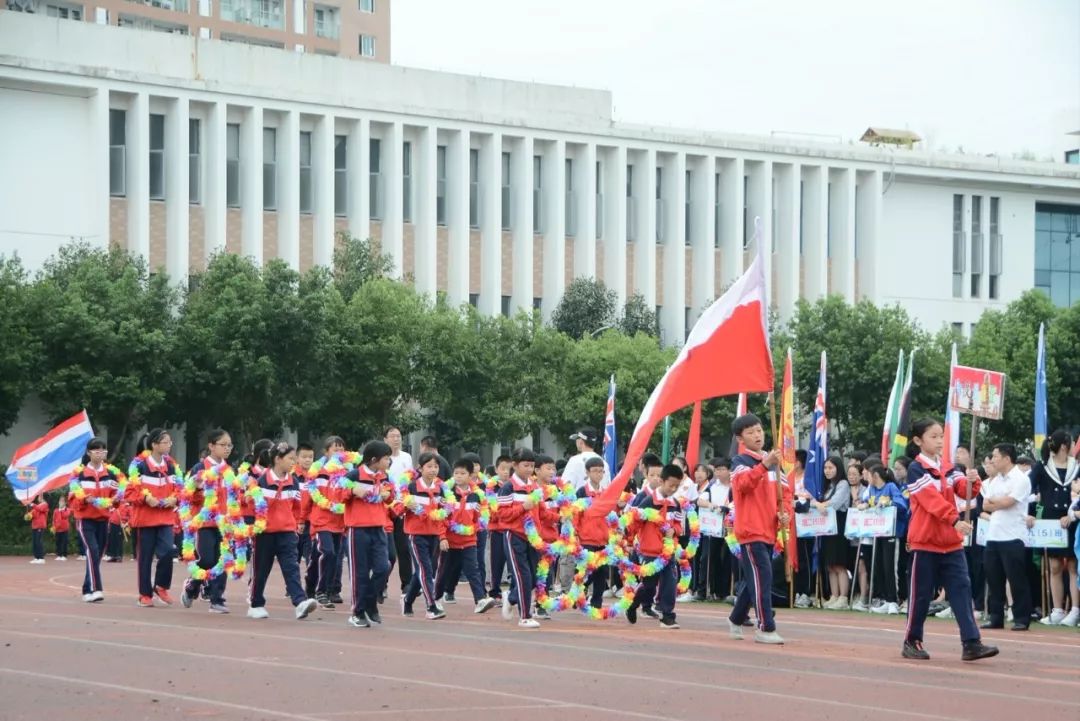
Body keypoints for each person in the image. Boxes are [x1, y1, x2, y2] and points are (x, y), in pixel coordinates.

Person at [902, 418, 997, 662]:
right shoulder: (916, 468)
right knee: (921, 594)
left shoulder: (948, 467)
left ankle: (971, 642)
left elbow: (963, 490)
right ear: (918, 441)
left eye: (940, 436)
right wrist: (955, 520)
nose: (939, 441)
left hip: (950, 543)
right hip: (925, 542)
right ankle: (912, 641)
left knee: (961, 591)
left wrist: (973, 481)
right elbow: (931, 500)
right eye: (933, 436)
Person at [726, 413, 791, 645]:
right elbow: (743, 485)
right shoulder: (740, 462)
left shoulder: (774, 464)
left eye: (759, 430)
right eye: (751, 432)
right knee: (762, 577)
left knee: (757, 578)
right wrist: (764, 465)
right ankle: (765, 627)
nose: (758, 435)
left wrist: (785, 515)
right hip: (750, 530)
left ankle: (736, 618)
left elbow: (785, 496)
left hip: (769, 529)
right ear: (740, 438)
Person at [246, 442, 318, 621]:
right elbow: (250, 507)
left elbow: (296, 507)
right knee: (261, 569)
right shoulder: (260, 481)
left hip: (286, 533)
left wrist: (293, 525)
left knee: (291, 567)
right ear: (278, 459)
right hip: (264, 533)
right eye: (290, 459)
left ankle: (300, 601)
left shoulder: (293, 482)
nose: (294, 462)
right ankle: (256, 603)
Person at [625, 463, 685, 629]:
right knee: (649, 585)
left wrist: (674, 530)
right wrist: (629, 540)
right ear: (662, 481)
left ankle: (667, 616)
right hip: (650, 551)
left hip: (668, 551)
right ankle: (633, 604)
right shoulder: (649, 501)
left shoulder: (676, 504)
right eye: (671, 485)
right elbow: (635, 522)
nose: (673, 489)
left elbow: (680, 525)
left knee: (670, 582)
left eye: (677, 486)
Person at [180, 429, 234, 614]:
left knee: (223, 559)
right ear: (211, 446)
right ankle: (192, 586)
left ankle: (217, 598)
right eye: (223, 445)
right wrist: (197, 489)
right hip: (204, 523)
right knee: (206, 560)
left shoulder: (229, 470)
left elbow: (232, 497)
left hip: (223, 523)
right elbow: (188, 495)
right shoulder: (199, 468)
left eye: (229, 445)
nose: (227, 449)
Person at [127, 428, 182, 608]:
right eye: (165, 442)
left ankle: (161, 586)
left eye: (170, 442)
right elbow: (130, 492)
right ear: (154, 444)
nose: (169, 445)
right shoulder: (139, 466)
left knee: (168, 551)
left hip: (165, 518)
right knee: (145, 557)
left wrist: (175, 498)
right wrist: (145, 498)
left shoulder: (172, 466)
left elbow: (180, 489)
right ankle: (145, 594)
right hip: (145, 519)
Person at [980, 443, 1032, 631]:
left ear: (1006, 458)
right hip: (993, 535)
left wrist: (998, 503)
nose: (992, 460)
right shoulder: (995, 481)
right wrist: (999, 503)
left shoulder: (1021, 479)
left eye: (995, 456)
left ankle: (1021, 617)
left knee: (1016, 579)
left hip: (1013, 536)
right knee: (994, 579)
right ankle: (996, 617)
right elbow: (986, 504)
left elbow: (1009, 502)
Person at [343, 440, 395, 628]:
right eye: (386, 458)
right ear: (374, 459)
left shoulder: (384, 476)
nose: (389, 461)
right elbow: (338, 493)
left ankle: (370, 602)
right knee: (360, 573)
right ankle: (357, 612)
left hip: (378, 528)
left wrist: (387, 494)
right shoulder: (354, 474)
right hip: (358, 530)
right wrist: (352, 490)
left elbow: (391, 495)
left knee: (383, 567)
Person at [434, 459, 497, 615]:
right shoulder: (448, 494)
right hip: (450, 541)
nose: (459, 476)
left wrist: (475, 529)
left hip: (469, 540)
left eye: (463, 473)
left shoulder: (476, 496)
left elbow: (480, 517)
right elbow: (441, 517)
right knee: (444, 571)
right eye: (456, 473)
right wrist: (442, 537)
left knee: (473, 570)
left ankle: (480, 599)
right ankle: (435, 598)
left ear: (471, 476)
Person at [1030, 430, 1079, 626]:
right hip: (1051, 522)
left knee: (1074, 565)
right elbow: (1028, 490)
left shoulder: (1077, 467)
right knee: (1055, 566)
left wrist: (1071, 515)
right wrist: (1031, 512)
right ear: (1065, 446)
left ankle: (1075, 609)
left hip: (1073, 519)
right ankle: (1057, 609)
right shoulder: (1042, 467)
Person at [498, 447, 547, 628]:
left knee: (534, 577)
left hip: (533, 537)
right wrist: (523, 507)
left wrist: (562, 517)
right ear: (515, 465)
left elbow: (541, 512)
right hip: (514, 536)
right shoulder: (508, 487)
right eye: (525, 465)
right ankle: (525, 616)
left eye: (532, 466)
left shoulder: (534, 486)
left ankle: (511, 597)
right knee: (523, 576)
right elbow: (503, 515)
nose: (529, 469)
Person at [69, 438, 122, 602]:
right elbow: (73, 500)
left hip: (103, 519)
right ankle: (96, 588)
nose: (100, 454)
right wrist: (85, 499)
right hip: (85, 520)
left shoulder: (112, 473)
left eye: (103, 451)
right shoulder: (79, 474)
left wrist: (115, 499)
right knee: (92, 550)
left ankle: (86, 589)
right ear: (89, 453)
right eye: (96, 451)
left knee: (97, 555)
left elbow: (118, 495)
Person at [401, 453, 449, 620]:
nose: (433, 470)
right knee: (425, 570)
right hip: (416, 534)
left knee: (422, 571)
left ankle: (408, 600)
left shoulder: (441, 489)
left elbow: (445, 512)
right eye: (429, 466)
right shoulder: (411, 487)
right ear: (420, 468)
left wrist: (442, 535)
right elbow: (397, 509)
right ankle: (431, 606)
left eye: (435, 467)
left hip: (433, 534)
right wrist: (407, 505)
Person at [305, 435, 347, 609]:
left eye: (341, 449)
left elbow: (347, 496)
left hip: (339, 522)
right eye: (334, 449)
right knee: (327, 553)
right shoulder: (318, 472)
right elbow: (309, 497)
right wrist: (302, 519)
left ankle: (311, 584)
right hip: (321, 521)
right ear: (326, 452)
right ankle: (322, 591)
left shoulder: (345, 474)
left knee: (322, 556)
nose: (338, 452)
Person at [860, 464, 908, 615]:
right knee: (879, 565)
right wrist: (865, 505)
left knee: (890, 566)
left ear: (875, 476)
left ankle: (894, 600)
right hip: (878, 532)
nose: (866, 477)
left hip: (891, 533)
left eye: (869, 474)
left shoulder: (891, 487)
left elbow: (902, 505)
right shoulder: (872, 490)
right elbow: (868, 502)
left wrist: (889, 503)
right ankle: (887, 600)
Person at [575, 456, 614, 609]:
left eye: (601, 471)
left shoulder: (606, 493)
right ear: (587, 472)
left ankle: (597, 601)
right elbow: (576, 513)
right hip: (586, 537)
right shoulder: (582, 491)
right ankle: (578, 592)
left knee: (602, 571)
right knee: (587, 569)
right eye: (595, 471)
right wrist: (576, 534)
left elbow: (610, 515)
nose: (598, 474)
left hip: (602, 538)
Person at [817, 456, 852, 609]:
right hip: (827, 528)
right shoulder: (828, 486)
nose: (827, 471)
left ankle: (843, 597)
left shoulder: (843, 484)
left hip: (839, 527)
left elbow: (836, 504)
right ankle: (834, 595)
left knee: (839, 564)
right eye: (825, 468)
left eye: (831, 468)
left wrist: (819, 504)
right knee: (830, 565)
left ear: (838, 468)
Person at [698, 458, 734, 600]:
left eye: (721, 469)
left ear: (729, 470)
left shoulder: (735, 485)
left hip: (730, 527)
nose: (718, 473)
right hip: (713, 527)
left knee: (727, 559)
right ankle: (704, 590)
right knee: (708, 557)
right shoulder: (712, 486)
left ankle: (723, 592)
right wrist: (711, 506)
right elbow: (700, 500)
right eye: (716, 470)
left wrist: (727, 509)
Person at [385, 426, 414, 596]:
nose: (396, 439)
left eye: (398, 436)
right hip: (385, 508)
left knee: (404, 548)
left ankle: (407, 584)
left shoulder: (406, 457)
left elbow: (409, 480)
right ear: (385, 439)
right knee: (387, 552)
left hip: (401, 507)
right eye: (392, 436)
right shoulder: (382, 458)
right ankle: (382, 583)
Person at [486, 454, 513, 601]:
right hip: (497, 529)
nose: (506, 472)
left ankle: (513, 589)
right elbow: (491, 509)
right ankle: (495, 590)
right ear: (496, 469)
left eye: (509, 469)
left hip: (511, 529)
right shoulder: (491, 488)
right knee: (496, 561)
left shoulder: (515, 486)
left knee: (512, 561)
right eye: (502, 469)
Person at [562, 427, 611, 492]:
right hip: (601, 500)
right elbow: (608, 487)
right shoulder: (604, 462)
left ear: (581, 442)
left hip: (580, 501)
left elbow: (566, 487)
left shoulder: (574, 460)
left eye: (577, 439)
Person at [294, 442, 315, 568]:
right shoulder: (292, 477)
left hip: (310, 523)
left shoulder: (316, 476)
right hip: (294, 523)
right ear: (297, 458)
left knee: (311, 558)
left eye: (311, 457)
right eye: (304, 456)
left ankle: (310, 587)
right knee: (293, 560)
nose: (308, 460)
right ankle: (292, 587)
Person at [27, 494, 48, 563]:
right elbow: (32, 514)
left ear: (43, 498)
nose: (39, 498)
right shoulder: (36, 507)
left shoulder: (45, 504)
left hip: (40, 525)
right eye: (39, 496)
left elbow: (41, 509)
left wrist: (33, 505)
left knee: (39, 541)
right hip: (34, 526)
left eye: (40, 496)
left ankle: (41, 558)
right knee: (35, 542)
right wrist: (28, 516)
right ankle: (36, 557)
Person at [52, 496, 71, 561]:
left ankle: (64, 555)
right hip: (57, 529)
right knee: (58, 542)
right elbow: (54, 519)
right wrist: (53, 526)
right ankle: (59, 555)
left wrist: (61, 511)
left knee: (64, 542)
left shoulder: (67, 509)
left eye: (62, 501)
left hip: (65, 529)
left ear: (65, 502)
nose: (61, 502)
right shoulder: (56, 510)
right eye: (60, 501)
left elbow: (65, 516)